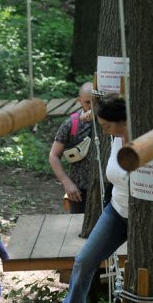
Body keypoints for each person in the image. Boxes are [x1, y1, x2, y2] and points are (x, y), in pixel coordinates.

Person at [48, 93, 129, 303]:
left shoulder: (146, 141)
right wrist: (92, 112)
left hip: (143, 217)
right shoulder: (115, 136)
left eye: (106, 126)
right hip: (116, 211)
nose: (103, 131)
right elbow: (107, 109)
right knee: (85, 260)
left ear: (122, 121)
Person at [48, 82, 95, 213]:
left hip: (108, 187)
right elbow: (53, 155)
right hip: (78, 190)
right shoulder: (71, 123)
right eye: (87, 102)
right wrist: (67, 183)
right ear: (79, 101)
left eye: (95, 101)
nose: (92, 106)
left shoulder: (111, 121)